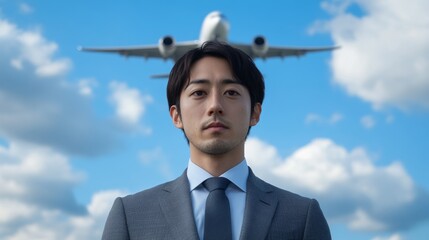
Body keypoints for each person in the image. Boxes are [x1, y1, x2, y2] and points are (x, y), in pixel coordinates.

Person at [101, 41, 331, 240]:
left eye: (231, 92)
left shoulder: (302, 215)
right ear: (176, 116)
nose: (214, 106)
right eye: (199, 93)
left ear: (255, 113)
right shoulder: (130, 215)